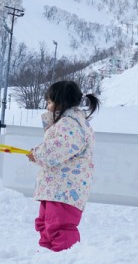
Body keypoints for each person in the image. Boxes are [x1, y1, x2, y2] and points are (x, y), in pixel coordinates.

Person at [27, 81, 100, 252]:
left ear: (61, 102)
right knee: (45, 225)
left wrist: (37, 154)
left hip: (66, 189)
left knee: (59, 226)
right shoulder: (68, 123)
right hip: (55, 188)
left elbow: (58, 148)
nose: (47, 105)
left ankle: (64, 261)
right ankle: (45, 258)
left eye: (50, 102)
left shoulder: (70, 124)